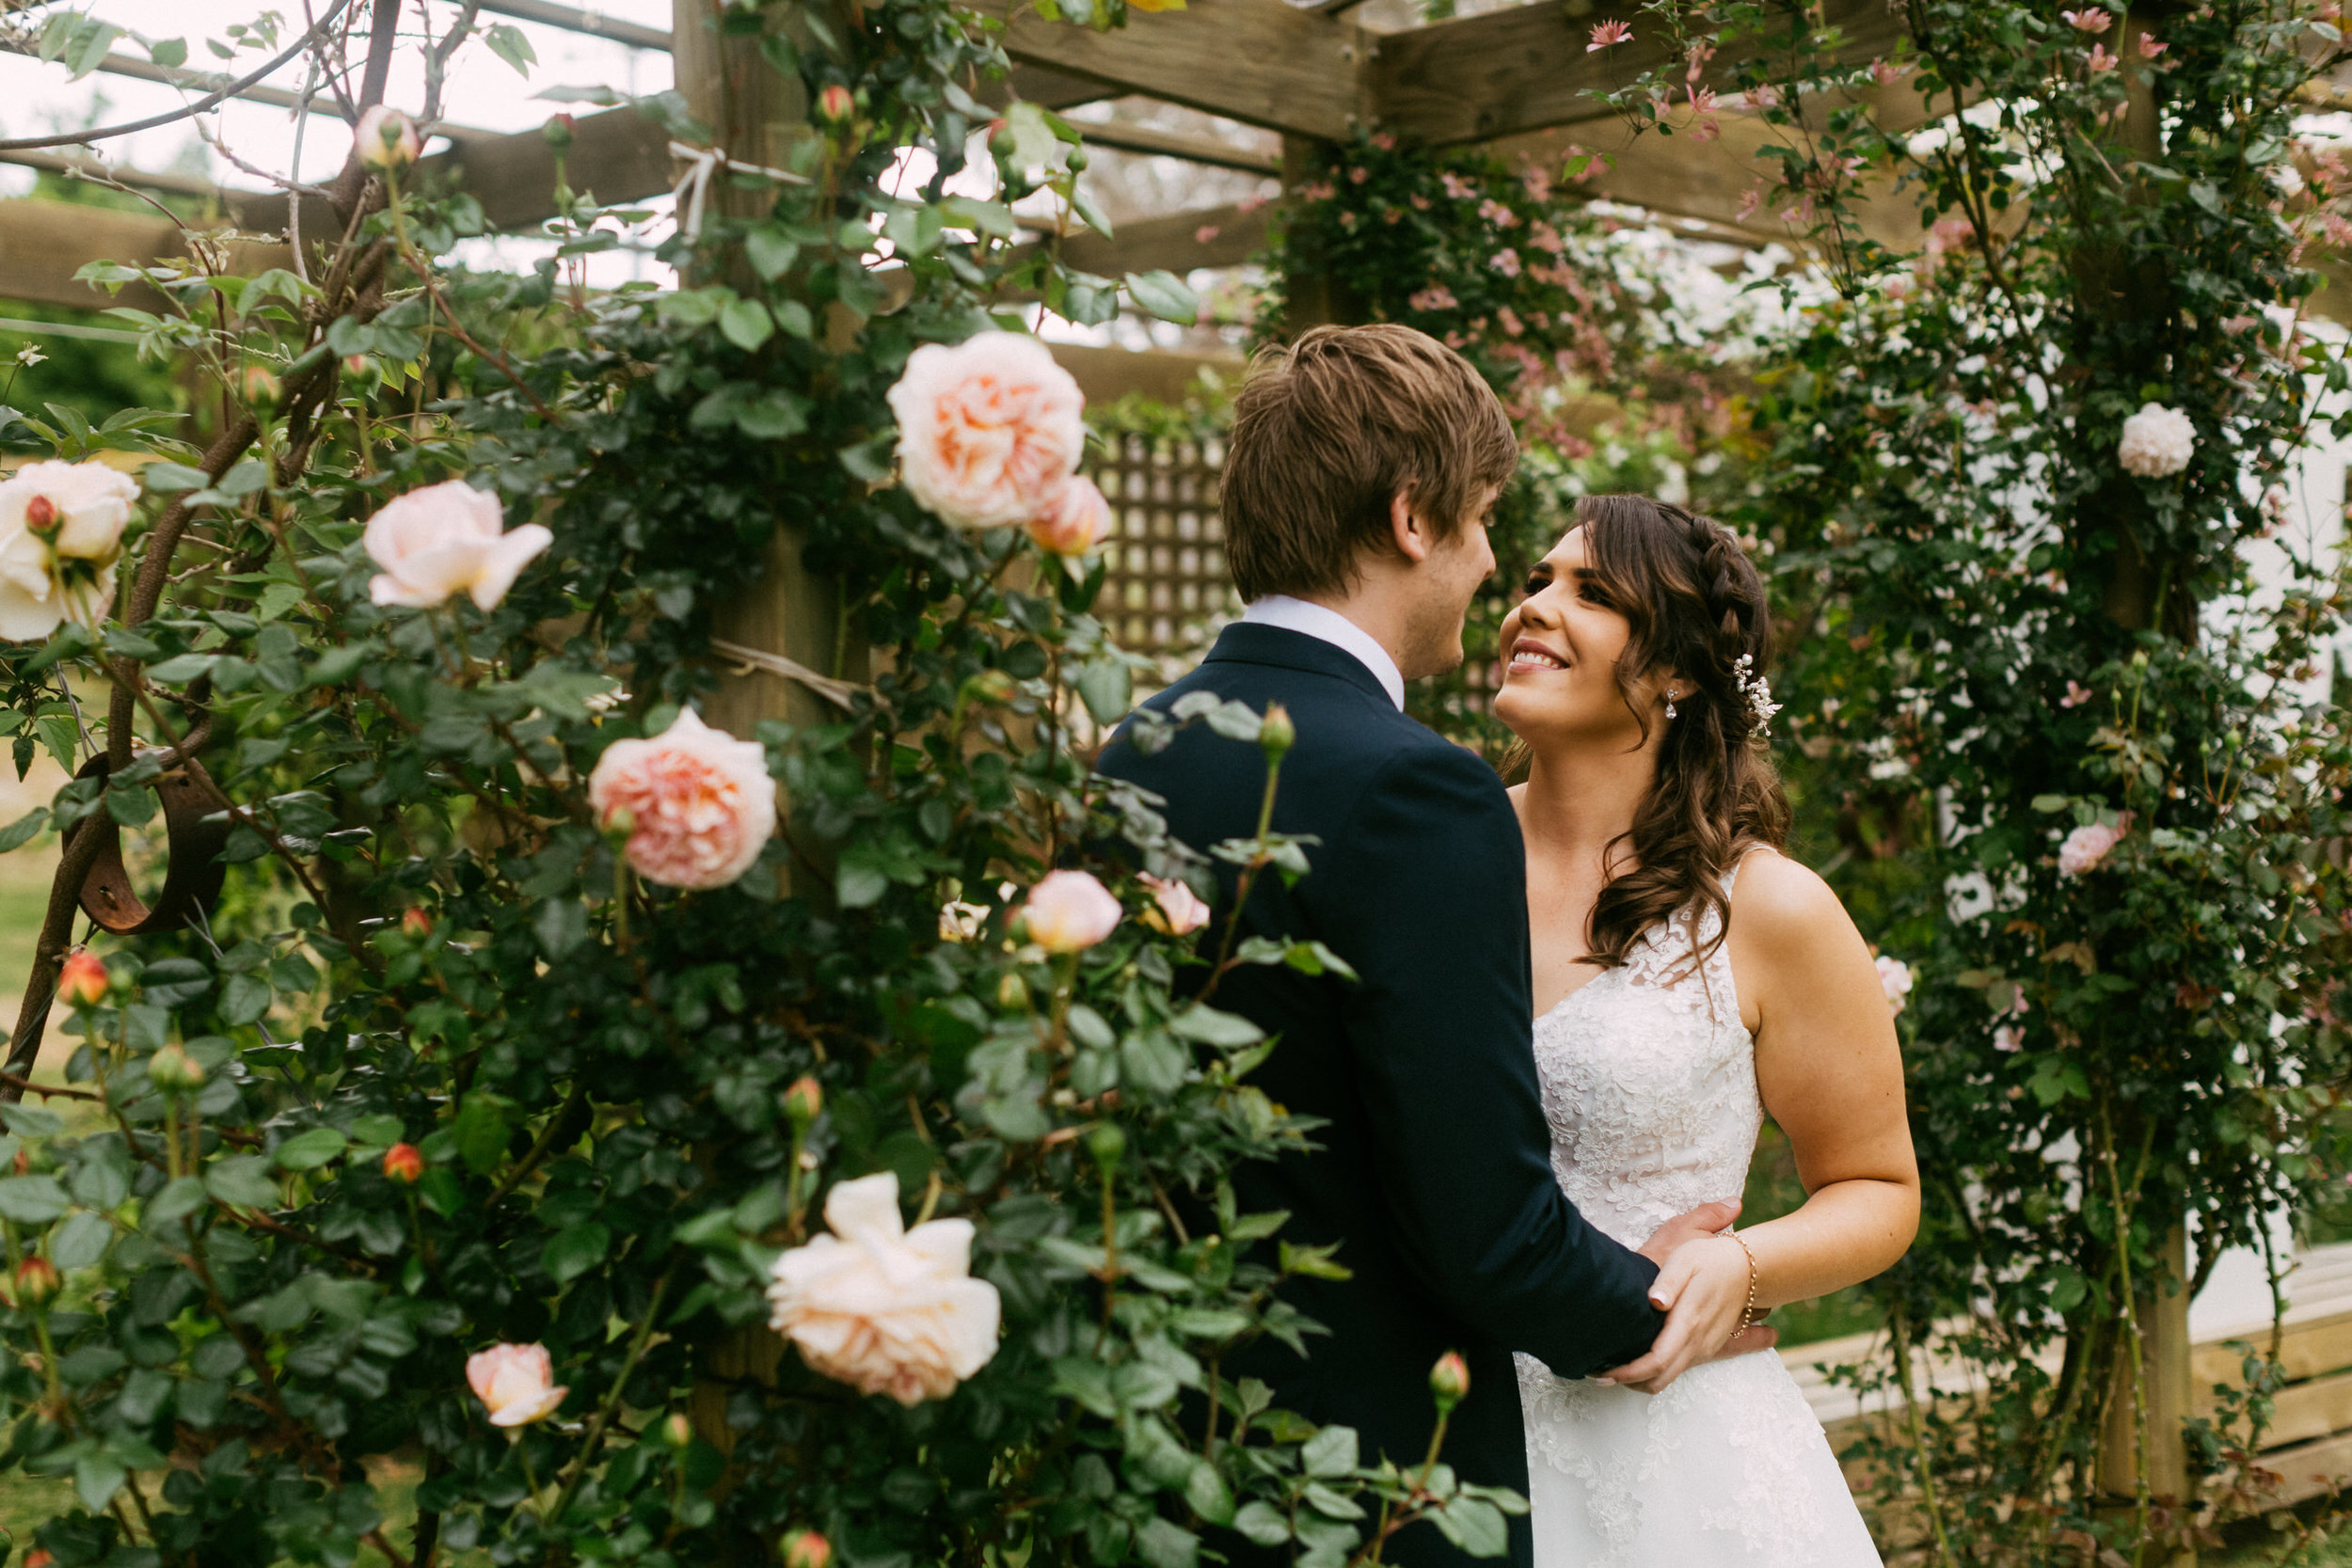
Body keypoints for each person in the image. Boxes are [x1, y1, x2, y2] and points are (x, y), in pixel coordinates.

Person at [1094, 325, 1770, 1568]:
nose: (1491, 569)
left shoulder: (1133, 749)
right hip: (1367, 1474)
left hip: (1153, 1442)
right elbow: (1482, 1225)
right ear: (1414, 518)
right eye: (1485, 526)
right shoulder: (1420, 791)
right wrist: (1666, 1306)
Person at [1496, 495, 1918, 1566]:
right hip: (1443, 1429)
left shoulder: (1766, 909)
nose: (1535, 607)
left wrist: (1739, 1264)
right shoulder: (1436, 854)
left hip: (1674, 1460)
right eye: (1537, 580)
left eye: (1591, 593)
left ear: (1678, 671)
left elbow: (1878, 1187)